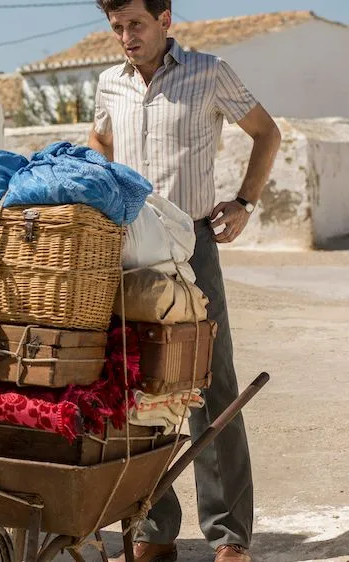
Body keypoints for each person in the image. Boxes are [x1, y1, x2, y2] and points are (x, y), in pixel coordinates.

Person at [87, 1, 281, 561]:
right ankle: (153, 531)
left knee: (208, 382)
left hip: (193, 244)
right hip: (130, 247)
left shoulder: (209, 72)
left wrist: (245, 202)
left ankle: (229, 537)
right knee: (138, 383)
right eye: (117, 27)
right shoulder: (109, 83)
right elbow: (100, 141)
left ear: (165, 18)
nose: (127, 36)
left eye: (136, 24)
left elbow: (265, 132)